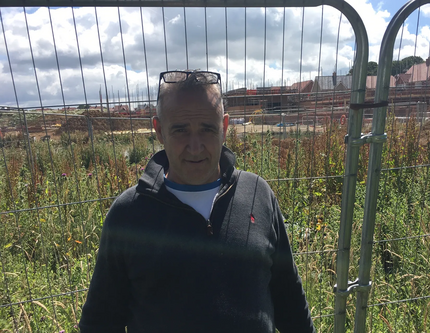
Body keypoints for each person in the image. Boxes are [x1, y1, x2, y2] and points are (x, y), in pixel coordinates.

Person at [79, 70, 315, 333]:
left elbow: (289, 300)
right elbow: (99, 322)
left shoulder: (257, 195)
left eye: (207, 129)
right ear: (158, 130)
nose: (195, 146)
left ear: (224, 128)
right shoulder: (130, 213)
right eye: (180, 130)